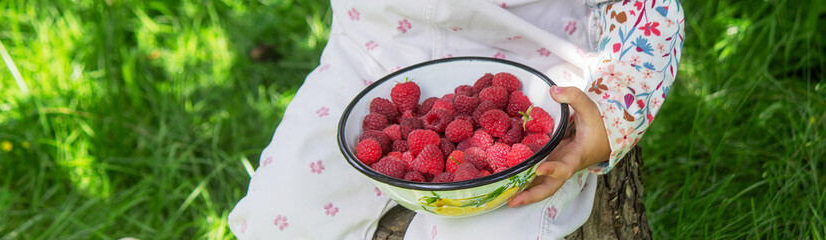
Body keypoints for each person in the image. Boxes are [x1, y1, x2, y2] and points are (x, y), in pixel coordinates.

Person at [228, 0, 684, 239]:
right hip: (366, 65)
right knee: (281, 213)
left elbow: (649, 13)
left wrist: (608, 118)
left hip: (534, 90)